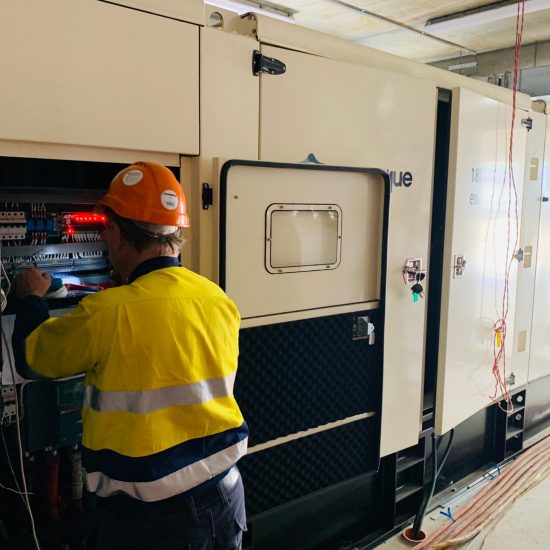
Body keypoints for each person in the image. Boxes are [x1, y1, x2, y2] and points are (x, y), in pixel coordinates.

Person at [12, 161, 248, 550]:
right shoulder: (216, 298)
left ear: (117, 234)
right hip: (225, 498)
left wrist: (31, 298)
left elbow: (31, 357)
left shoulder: (108, 312)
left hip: (152, 525)